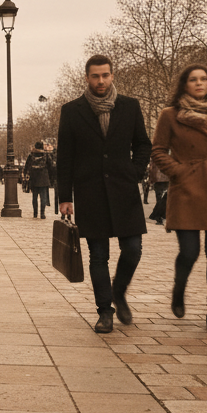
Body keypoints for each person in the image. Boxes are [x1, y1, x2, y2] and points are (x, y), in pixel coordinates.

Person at [57, 54, 152, 334]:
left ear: (112, 76)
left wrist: (134, 172)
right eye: (95, 76)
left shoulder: (130, 107)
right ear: (86, 78)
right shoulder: (72, 110)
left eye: (106, 75)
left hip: (124, 191)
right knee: (98, 256)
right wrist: (65, 197)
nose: (101, 80)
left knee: (133, 250)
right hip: (91, 192)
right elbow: (65, 157)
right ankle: (105, 311)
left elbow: (143, 145)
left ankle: (119, 291)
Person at [151, 65, 207, 335]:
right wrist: (179, 171)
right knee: (190, 251)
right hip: (186, 189)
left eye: (203, 79)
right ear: (184, 84)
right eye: (193, 80)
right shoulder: (170, 115)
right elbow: (158, 150)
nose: (199, 83)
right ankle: (179, 289)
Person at [23, 141, 56, 219]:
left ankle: (35, 213)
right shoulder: (46, 155)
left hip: (34, 178)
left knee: (34, 197)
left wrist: (25, 175)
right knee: (43, 197)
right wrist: (51, 177)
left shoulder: (31, 155)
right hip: (44, 178)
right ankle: (42, 213)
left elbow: (27, 166)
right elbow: (51, 167)